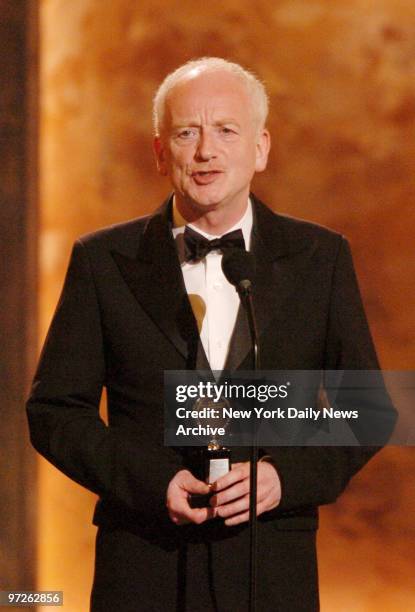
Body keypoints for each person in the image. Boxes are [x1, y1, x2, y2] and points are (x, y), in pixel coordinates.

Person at [27, 57, 393, 611]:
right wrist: (152, 484)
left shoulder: (320, 259)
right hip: (143, 566)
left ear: (261, 148)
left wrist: (283, 477)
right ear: (159, 152)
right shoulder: (102, 261)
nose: (205, 151)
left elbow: (368, 410)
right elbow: (54, 410)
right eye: (185, 132)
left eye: (226, 130)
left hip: (271, 570)